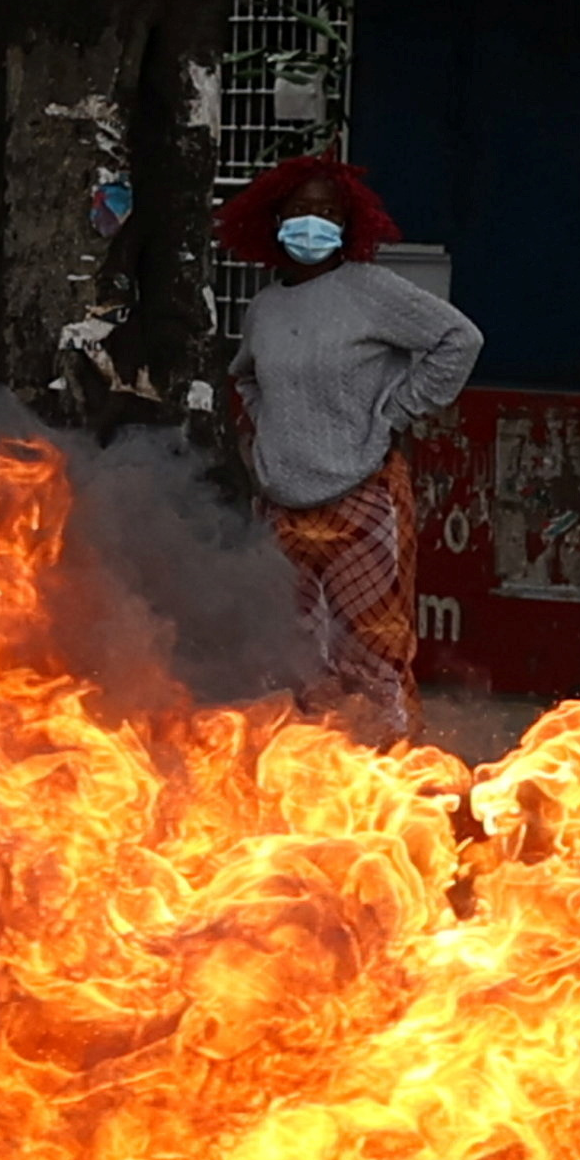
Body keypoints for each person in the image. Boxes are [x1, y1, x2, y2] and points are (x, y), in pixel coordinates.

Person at [220, 153, 477, 732]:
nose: (313, 222)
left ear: (348, 223)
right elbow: (246, 377)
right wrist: (266, 428)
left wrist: (399, 411)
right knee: (294, 663)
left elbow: (459, 340)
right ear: (275, 220)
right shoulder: (266, 307)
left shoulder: (371, 290)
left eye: (328, 212)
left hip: (362, 497)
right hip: (282, 507)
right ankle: (306, 769)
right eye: (299, 210)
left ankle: (390, 768)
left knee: (375, 657)